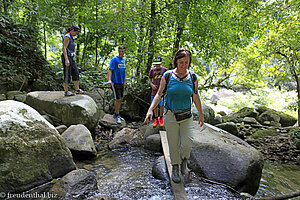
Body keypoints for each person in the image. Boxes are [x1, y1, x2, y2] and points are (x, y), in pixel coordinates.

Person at [144, 48, 204, 183]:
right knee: (173, 143)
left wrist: (201, 113)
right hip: (170, 115)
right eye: (181, 62)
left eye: (186, 62)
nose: (184, 65)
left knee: (187, 142)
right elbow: (159, 94)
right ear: (176, 62)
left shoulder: (193, 77)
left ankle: (184, 162)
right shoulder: (168, 76)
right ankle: (175, 167)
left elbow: (195, 95)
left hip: (187, 116)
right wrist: (150, 110)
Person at [62, 25, 85, 96]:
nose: (76, 34)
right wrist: (66, 60)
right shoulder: (67, 37)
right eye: (76, 32)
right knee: (67, 73)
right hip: (67, 57)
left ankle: (77, 89)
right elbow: (64, 48)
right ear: (72, 30)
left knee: (76, 72)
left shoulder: (71, 37)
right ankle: (66, 91)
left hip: (71, 57)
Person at [107, 45, 126, 124]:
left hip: (121, 82)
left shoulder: (124, 60)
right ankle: (117, 114)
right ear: (118, 51)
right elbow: (110, 70)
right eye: (120, 50)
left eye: (123, 50)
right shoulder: (114, 59)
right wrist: (109, 80)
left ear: (124, 51)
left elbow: (124, 72)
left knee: (121, 98)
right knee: (117, 98)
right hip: (115, 82)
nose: (121, 51)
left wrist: (124, 82)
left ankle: (116, 113)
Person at [149, 56, 167, 128]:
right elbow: (150, 78)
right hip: (154, 90)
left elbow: (167, 79)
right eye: (156, 64)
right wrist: (152, 85)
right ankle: (156, 119)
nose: (157, 66)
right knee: (155, 105)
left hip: (162, 91)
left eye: (158, 64)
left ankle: (161, 118)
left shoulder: (164, 70)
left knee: (161, 104)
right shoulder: (152, 70)